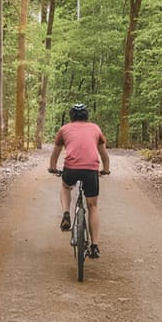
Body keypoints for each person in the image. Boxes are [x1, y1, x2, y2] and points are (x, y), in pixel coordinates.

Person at [47, 103, 111, 258]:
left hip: (71, 169)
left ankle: (66, 214)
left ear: (71, 117)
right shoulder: (95, 128)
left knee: (65, 186)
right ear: (86, 116)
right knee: (93, 206)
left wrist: (53, 168)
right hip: (91, 170)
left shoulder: (64, 129)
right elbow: (104, 154)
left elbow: (55, 153)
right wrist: (106, 169)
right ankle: (95, 246)